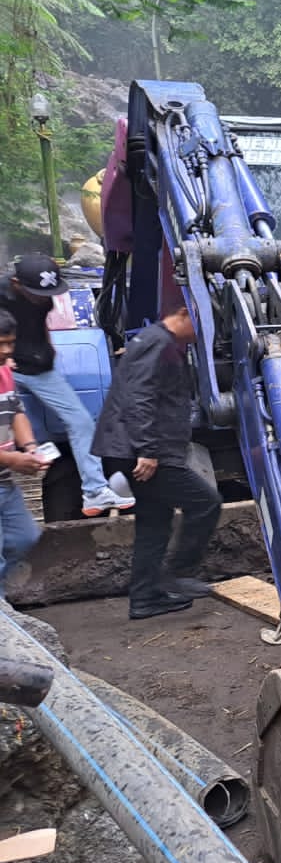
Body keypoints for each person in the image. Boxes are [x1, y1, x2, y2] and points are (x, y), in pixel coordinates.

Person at [91, 304, 219, 619]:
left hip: (138, 448)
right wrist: (146, 450)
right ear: (185, 314)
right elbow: (139, 396)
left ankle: (145, 598)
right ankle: (178, 572)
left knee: (154, 524)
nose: (200, 336)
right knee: (206, 503)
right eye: (200, 326)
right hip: (148, 452)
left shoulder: (156, 341)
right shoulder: (158, 343)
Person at [1, 252, 135, 517]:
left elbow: (40, 324)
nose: (42, 298)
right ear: (16, 283)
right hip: (6, 369)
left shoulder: (43, 295)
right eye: (36, 293)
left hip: (39, 368)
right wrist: (5, 361)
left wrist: (49, 349)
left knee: (81, 421)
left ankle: (95, 491)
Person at [0, 310, 47, 601]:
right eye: (0, 343)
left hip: (4, 482)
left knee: (26, 536)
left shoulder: (5, 370)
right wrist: (13, 460)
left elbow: (16, 410)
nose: (6, 350)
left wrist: (29, 447)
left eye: (10, 343)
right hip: (6, 468)